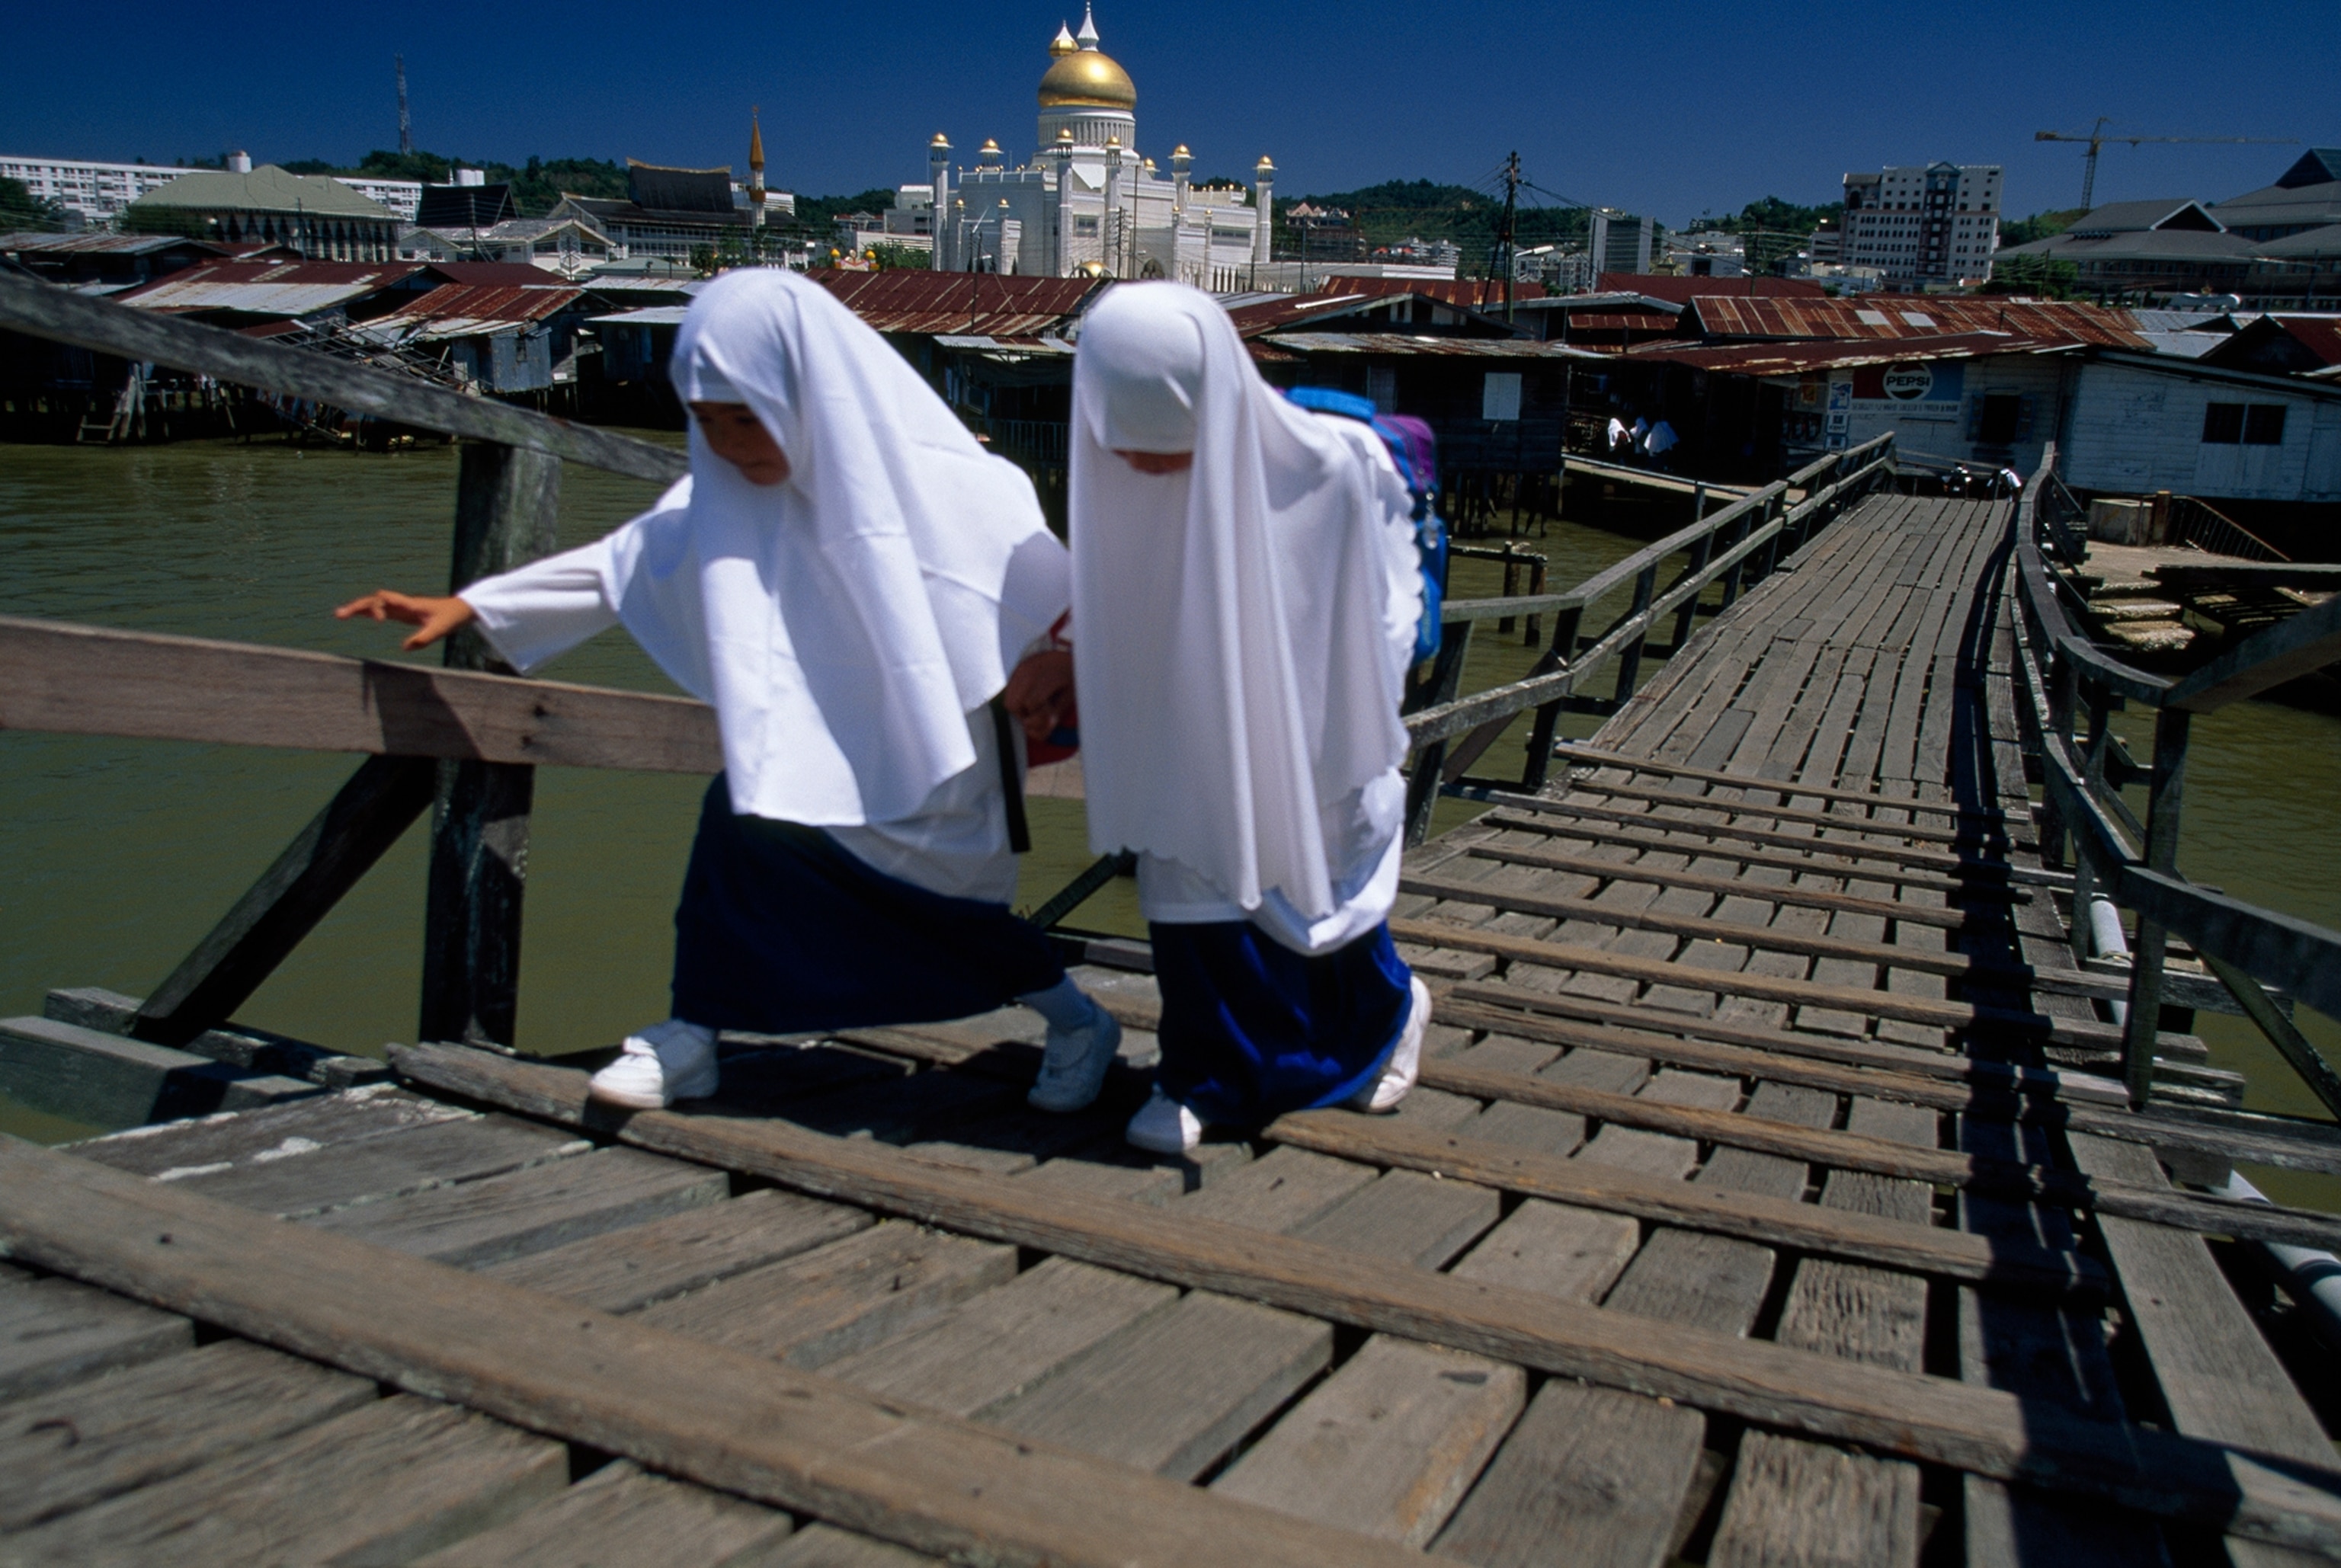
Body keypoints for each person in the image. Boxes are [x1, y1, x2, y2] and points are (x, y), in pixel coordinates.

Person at [336, 270, 1120, 1112]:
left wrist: (1056, 659)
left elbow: (1053, 596)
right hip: (815, 734)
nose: (733, 447)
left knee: (944, 909)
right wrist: (475, 604)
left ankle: (1074, 1019)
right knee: (739, 832)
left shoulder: (961, 484)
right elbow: (624, 563)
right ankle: (695, 1031)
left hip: (944, 747)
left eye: (749, 420)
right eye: (707, 424)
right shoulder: (721, 491)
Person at [1061, 282, 1431, 1154]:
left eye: (1169, 450)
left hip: (1316, 738)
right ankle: (1203, 1073)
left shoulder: (1339, 465)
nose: (1143, 470)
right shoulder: (1114, 468)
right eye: (1127, 448)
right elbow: (1113, 584)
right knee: (1189, 898)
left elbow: (1388, 614)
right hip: (1188, 730)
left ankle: (1392, 1015)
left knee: (1324, 907)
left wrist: (1329, 726)